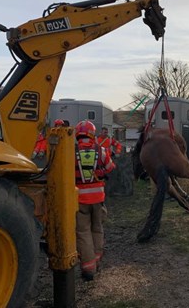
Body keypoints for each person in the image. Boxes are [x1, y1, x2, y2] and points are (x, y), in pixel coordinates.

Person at [74, 120, 115, 281]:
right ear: (93, 133)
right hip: (98, 199)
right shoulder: (101, 150)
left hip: (79, 200)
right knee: (97, 228)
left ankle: (88, 268)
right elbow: (111, 168)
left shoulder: (70, 151)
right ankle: (97, 261)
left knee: (83, 232)